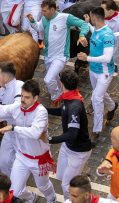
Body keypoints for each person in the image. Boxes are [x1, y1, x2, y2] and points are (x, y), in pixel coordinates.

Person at [0, 80, 57, 202]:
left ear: (35, 98)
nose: (22, 99)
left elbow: (35, 133)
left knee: (43, 186)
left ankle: (51, 198)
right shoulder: (18, 106)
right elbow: (5, 109)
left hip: (39, 160)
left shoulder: (41, 112)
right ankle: (31, 197)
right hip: (22, 157)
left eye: (27, 97)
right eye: (21, 95)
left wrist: (13, 127)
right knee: (15, 192)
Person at [40, 70, 92, 200]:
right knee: (61, 176)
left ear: (61, 84)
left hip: (79, 151)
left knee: (66, 186)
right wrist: (44, 109)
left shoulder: (74, 105)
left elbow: (73, 134)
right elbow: (63, 111)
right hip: (68, 147)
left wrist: (50, 139)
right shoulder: (70, 97)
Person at [26, 0, 88, 107]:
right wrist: (32, 21)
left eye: (45, 11)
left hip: (61, 56)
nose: (42, 13)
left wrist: (82, 35)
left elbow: (83, 24)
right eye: (42, 11)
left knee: (48, 79)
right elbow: (38, 27)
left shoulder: (65, 18)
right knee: (55, 78)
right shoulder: (45, 19)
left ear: (52, 10)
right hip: (47, 55)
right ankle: (62, 93)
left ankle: (55, 98)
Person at [77, 7, 117, 146]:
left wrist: (86, 58)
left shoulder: (108, 35)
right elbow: (95, 32)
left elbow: (107, 57)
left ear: (95, 18)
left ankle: (96, 131)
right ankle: (112, 106)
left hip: (104, 72)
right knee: (99, 93)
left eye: (90, 18)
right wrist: (88, 24)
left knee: (97, 98)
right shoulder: (98, 30)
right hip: (93, 70)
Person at [91, 0, 119, 83]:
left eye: (102, 9)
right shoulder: (100, 18)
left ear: (110, 11)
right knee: (102, 77)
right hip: (105, 52)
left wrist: (111, 36)